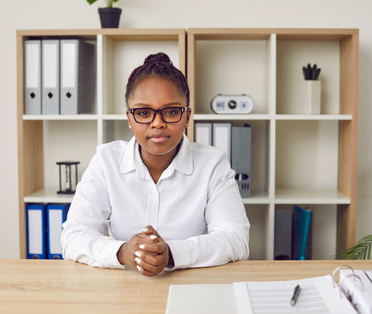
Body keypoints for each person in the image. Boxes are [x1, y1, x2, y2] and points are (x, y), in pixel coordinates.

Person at [61, 52, 250, 277]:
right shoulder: (106, 160)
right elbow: (73, 236)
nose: (158, 123)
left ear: (187, 116)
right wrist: (123, 252)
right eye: (143, 113)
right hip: (123, 288)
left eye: (171, 112)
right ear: (129, 119)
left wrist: (171, 253)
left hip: (189, 284)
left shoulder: (212, 164)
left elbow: (236, 239)